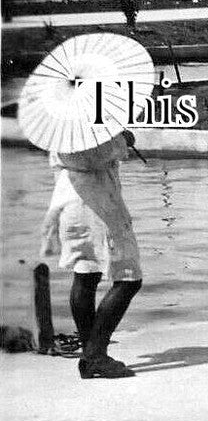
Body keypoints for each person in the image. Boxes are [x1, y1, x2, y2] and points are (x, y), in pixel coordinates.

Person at [41, 131, 142, 379]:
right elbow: (91, 156)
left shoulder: (60, 124)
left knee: (85, 275)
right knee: (129, 278)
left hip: (70, 200)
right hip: (95, 206)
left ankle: (90, 355)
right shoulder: (83, 124)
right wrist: (123, 141)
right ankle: (95, 354)